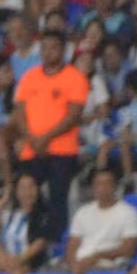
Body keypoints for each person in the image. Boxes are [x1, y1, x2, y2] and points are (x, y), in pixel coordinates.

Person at [12, 29, 88, 243]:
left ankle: (56, 245)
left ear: (63, 50)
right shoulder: (29, 77)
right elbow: (19, 112)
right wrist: (31, 137)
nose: (48, 52)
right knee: (27, 197)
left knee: (57, 197)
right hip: (32, 148)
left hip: (62, 150)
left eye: (53, 47)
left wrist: (45, 138)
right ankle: (27, 243)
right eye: (44, 47)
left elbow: (73, 115)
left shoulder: (74, 78)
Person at [65, 168, 137, 274]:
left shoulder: (128, 212)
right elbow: (72, 246)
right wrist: (74, 265)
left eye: (107, 183)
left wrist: (97, 256)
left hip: (108, 265)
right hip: (80, 263)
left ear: (115, 187)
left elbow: (129, 249)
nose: (102, 188)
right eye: (98, 184)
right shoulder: (83, 212)